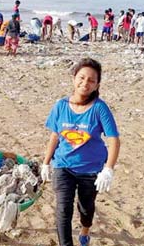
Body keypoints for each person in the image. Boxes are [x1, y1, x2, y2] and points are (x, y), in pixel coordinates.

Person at [41, 57, 120, 246]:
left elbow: (114, 140)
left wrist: (108, 169)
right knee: (63, 209)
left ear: (97, 85)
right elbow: (54, 136)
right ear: (73, 78)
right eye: (82, 77)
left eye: (91, 80)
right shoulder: (60, 106)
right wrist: (45, 162)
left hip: (90, 169)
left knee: (86, 208)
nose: (85, 83)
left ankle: (85, 229)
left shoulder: (100, 108)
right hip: (63, 166)